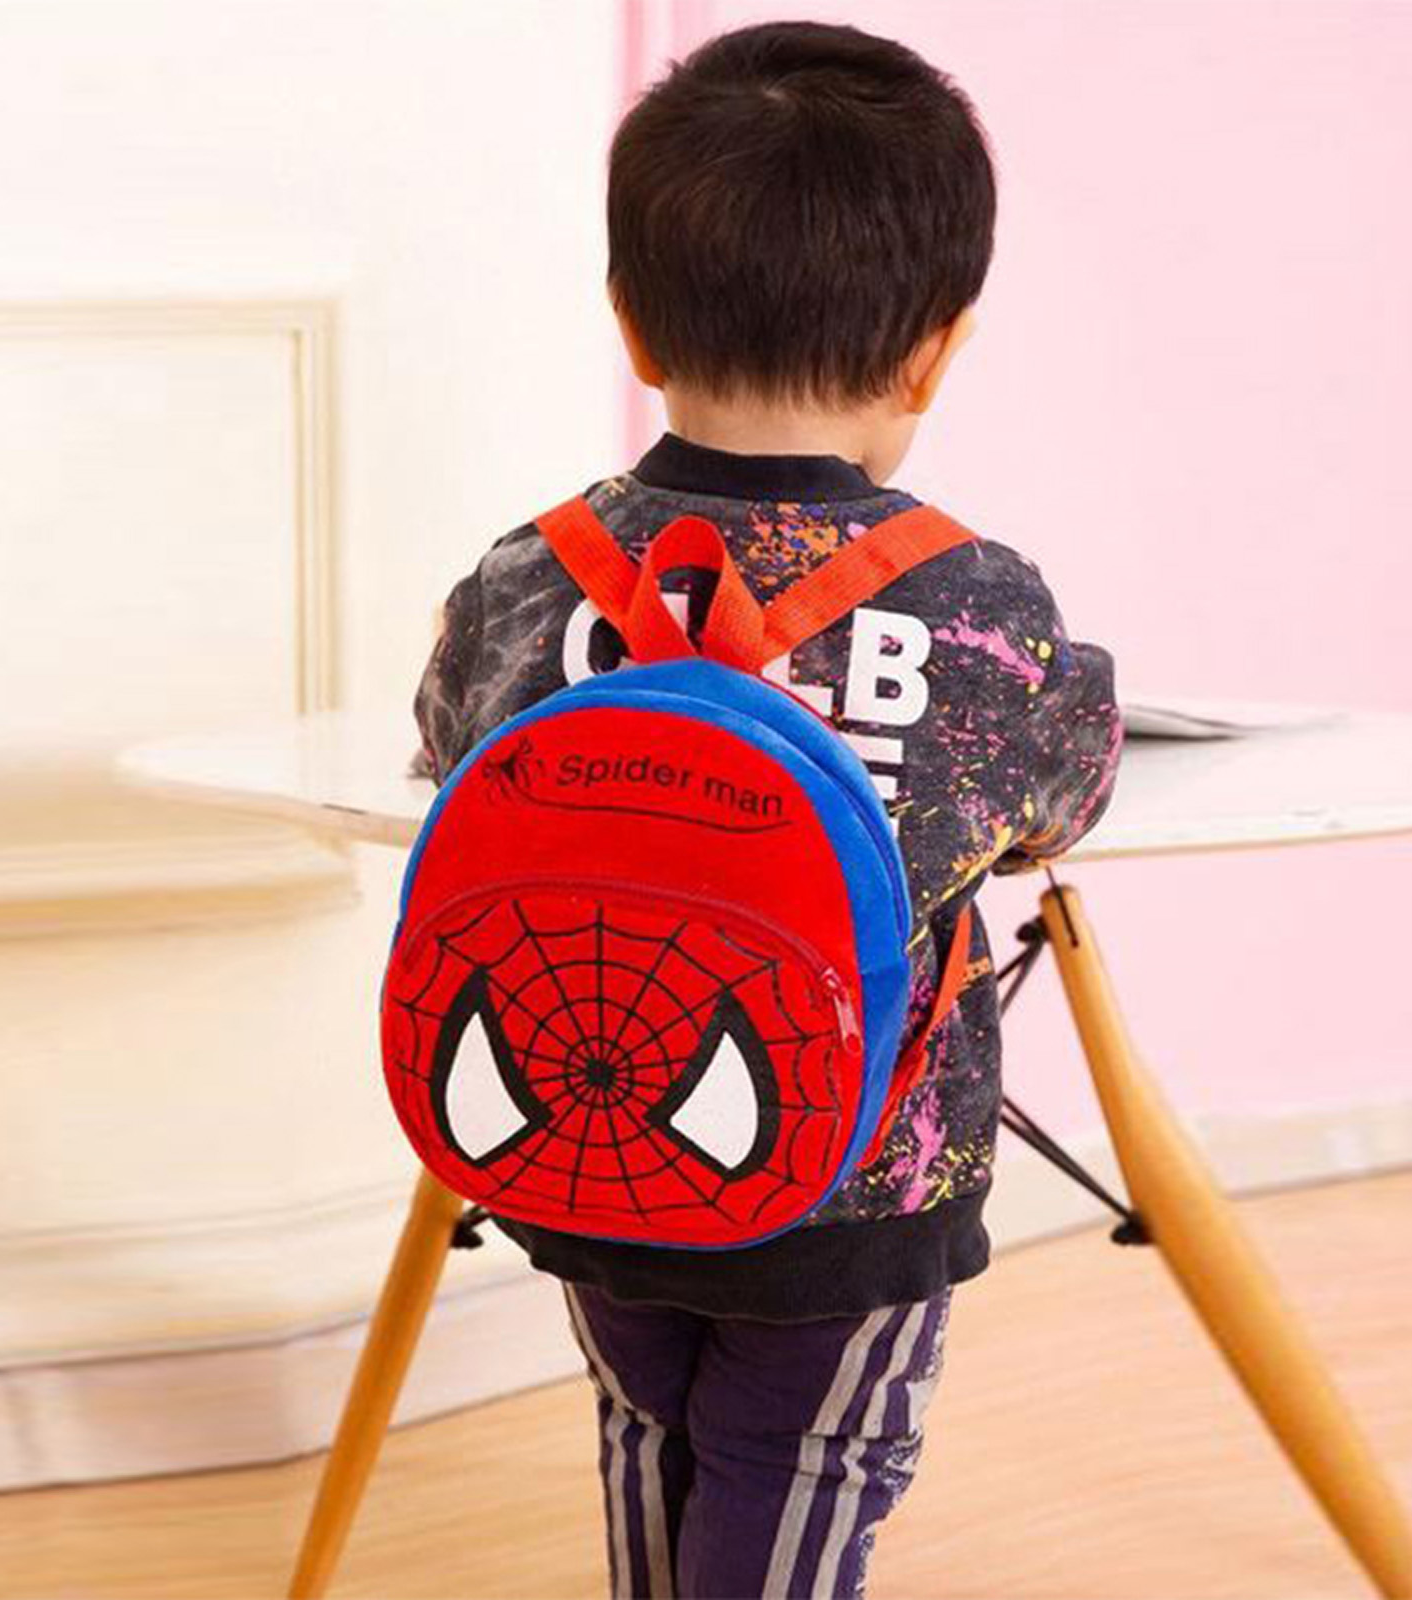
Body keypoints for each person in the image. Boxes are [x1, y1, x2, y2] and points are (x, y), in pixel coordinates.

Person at [412, 21, 1122, 1598]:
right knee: (805, 1466)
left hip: (578, 1127)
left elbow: (453, 754)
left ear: (631, 322)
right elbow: (1061, 802)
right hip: (858, 1168)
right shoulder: (979, 604)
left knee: (646, 1427)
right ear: (935, 349)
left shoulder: (523, 575)